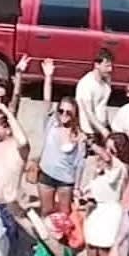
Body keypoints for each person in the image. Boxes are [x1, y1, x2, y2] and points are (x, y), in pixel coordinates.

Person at [76, 132, 129, 256]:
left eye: (111, 148)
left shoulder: (121, 168)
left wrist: (91, 143)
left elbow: (110, 160)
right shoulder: (102, 169)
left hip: (109, 215)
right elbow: (92, 187)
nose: (106, 152)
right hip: (95, 213)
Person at [37, 59, 84, 215]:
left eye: (68, 112)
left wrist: (77, 187)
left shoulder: (78, 135)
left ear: (75, 115)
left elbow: (79, 164)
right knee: (46, 211)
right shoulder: (51, 124)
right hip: (46, 174)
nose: (64, 114)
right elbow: (46, 100)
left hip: (65, 179)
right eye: (61, 111)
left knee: (65, 215)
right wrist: (48, 77)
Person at [75, 49, 114, 138]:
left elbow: (103, 105)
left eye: (111, 66)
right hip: (90, 132)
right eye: (107, 66)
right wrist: (103, 130)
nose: (110, 69)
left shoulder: (106, 80)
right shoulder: (87, 84)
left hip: (103, 128)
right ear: (97, 65)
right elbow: (89, 112)